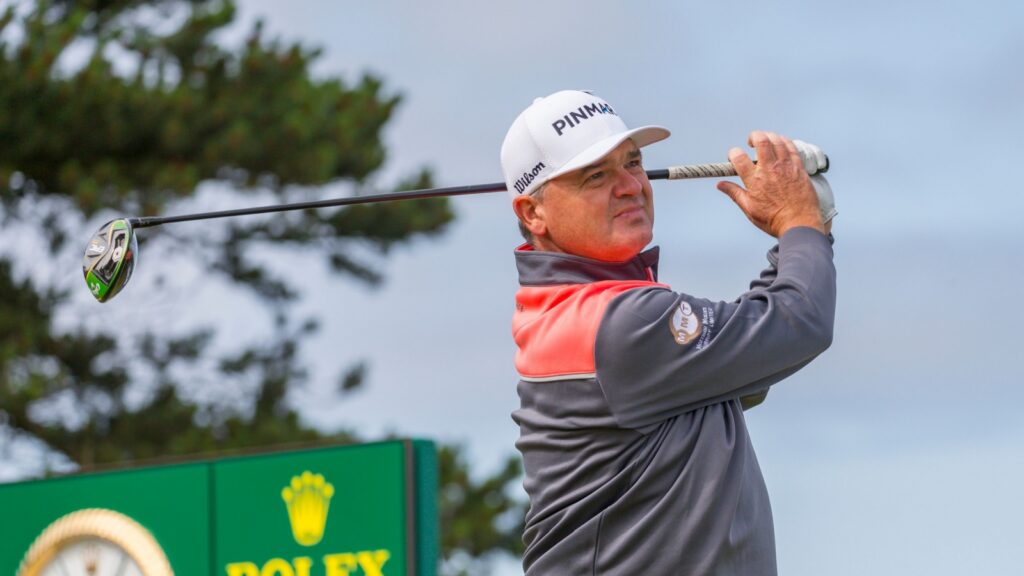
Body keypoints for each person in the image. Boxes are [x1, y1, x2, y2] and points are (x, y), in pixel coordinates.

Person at [500, 89, 836, 575]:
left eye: (632, 163)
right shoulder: (620, 322)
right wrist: (801, 224)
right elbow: (797, 323)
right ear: (533, 213)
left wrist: (803, 234)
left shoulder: (586, 312)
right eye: (595, 175)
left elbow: (752, 357)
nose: (629, 185)